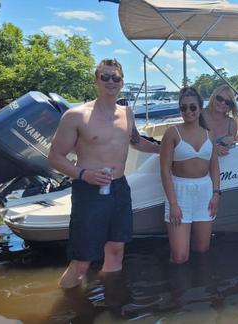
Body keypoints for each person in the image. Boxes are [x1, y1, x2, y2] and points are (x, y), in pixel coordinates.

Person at [49, 58, 160, 289]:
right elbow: (55, 157)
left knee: (116, 250)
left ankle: (112, 300)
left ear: (122, 82)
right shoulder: (76, 115)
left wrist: (167, 149)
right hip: (89, 191)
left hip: (119, 188)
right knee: (82, 260)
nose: (111, 81)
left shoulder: (127, 113)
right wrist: (83, 174)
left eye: (115, 77)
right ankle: (66, 305)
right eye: (105, 77)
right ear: (96, 81)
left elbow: (137, 142)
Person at [160, 86, 220, 264]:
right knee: (179, 256)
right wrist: (173, 203)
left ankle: (198, 289)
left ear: (200, 108)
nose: (188, 111)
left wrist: (216, 194)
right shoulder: (172, 133)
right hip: (180, 193)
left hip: (205, 192)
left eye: (192, 107)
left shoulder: (210, 134)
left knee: (202, 249)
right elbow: (164, 170)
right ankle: (176, 289)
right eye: (183, 108)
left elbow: (214, 167)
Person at [202, 84, 238, 156]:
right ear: (213, 97)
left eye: (227, 102)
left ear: (231, 106)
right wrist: (214, 149)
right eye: (219, 98)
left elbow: (230, 151)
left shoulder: (231, 124)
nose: (222, 103)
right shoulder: (199, 115)